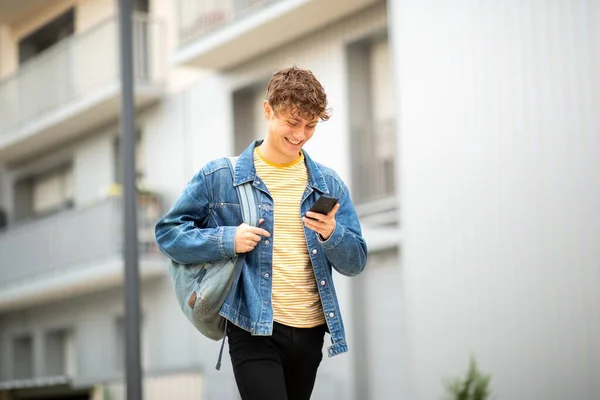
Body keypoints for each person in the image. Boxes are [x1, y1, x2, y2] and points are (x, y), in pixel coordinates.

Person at [155, 66, 367, 400]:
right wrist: (228, 240)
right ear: (268, 110)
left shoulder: (328, 183)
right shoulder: (219, 176)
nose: (300, 134)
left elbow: (356, 262)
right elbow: (169, 234)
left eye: (310, 125)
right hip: (253, 327)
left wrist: (332, 234)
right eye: (292, 123)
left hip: (311, 331)